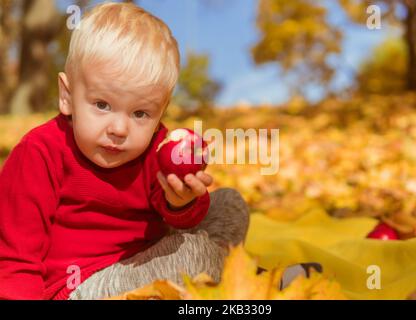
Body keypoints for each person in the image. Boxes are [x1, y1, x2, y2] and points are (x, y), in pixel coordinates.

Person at [0, 2, 249, 300]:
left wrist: (181, 202)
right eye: (102, 105)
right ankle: (232, 279)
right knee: (196, 254)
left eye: (140, 113)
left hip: (144, 259)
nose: (119, 128)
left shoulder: (156, 147)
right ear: (67, 97)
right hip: (79, 288)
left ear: (161, 112)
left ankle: (230, 278)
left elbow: (181, 222)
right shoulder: (38, 153)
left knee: (229, 204)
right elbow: (14, 261)